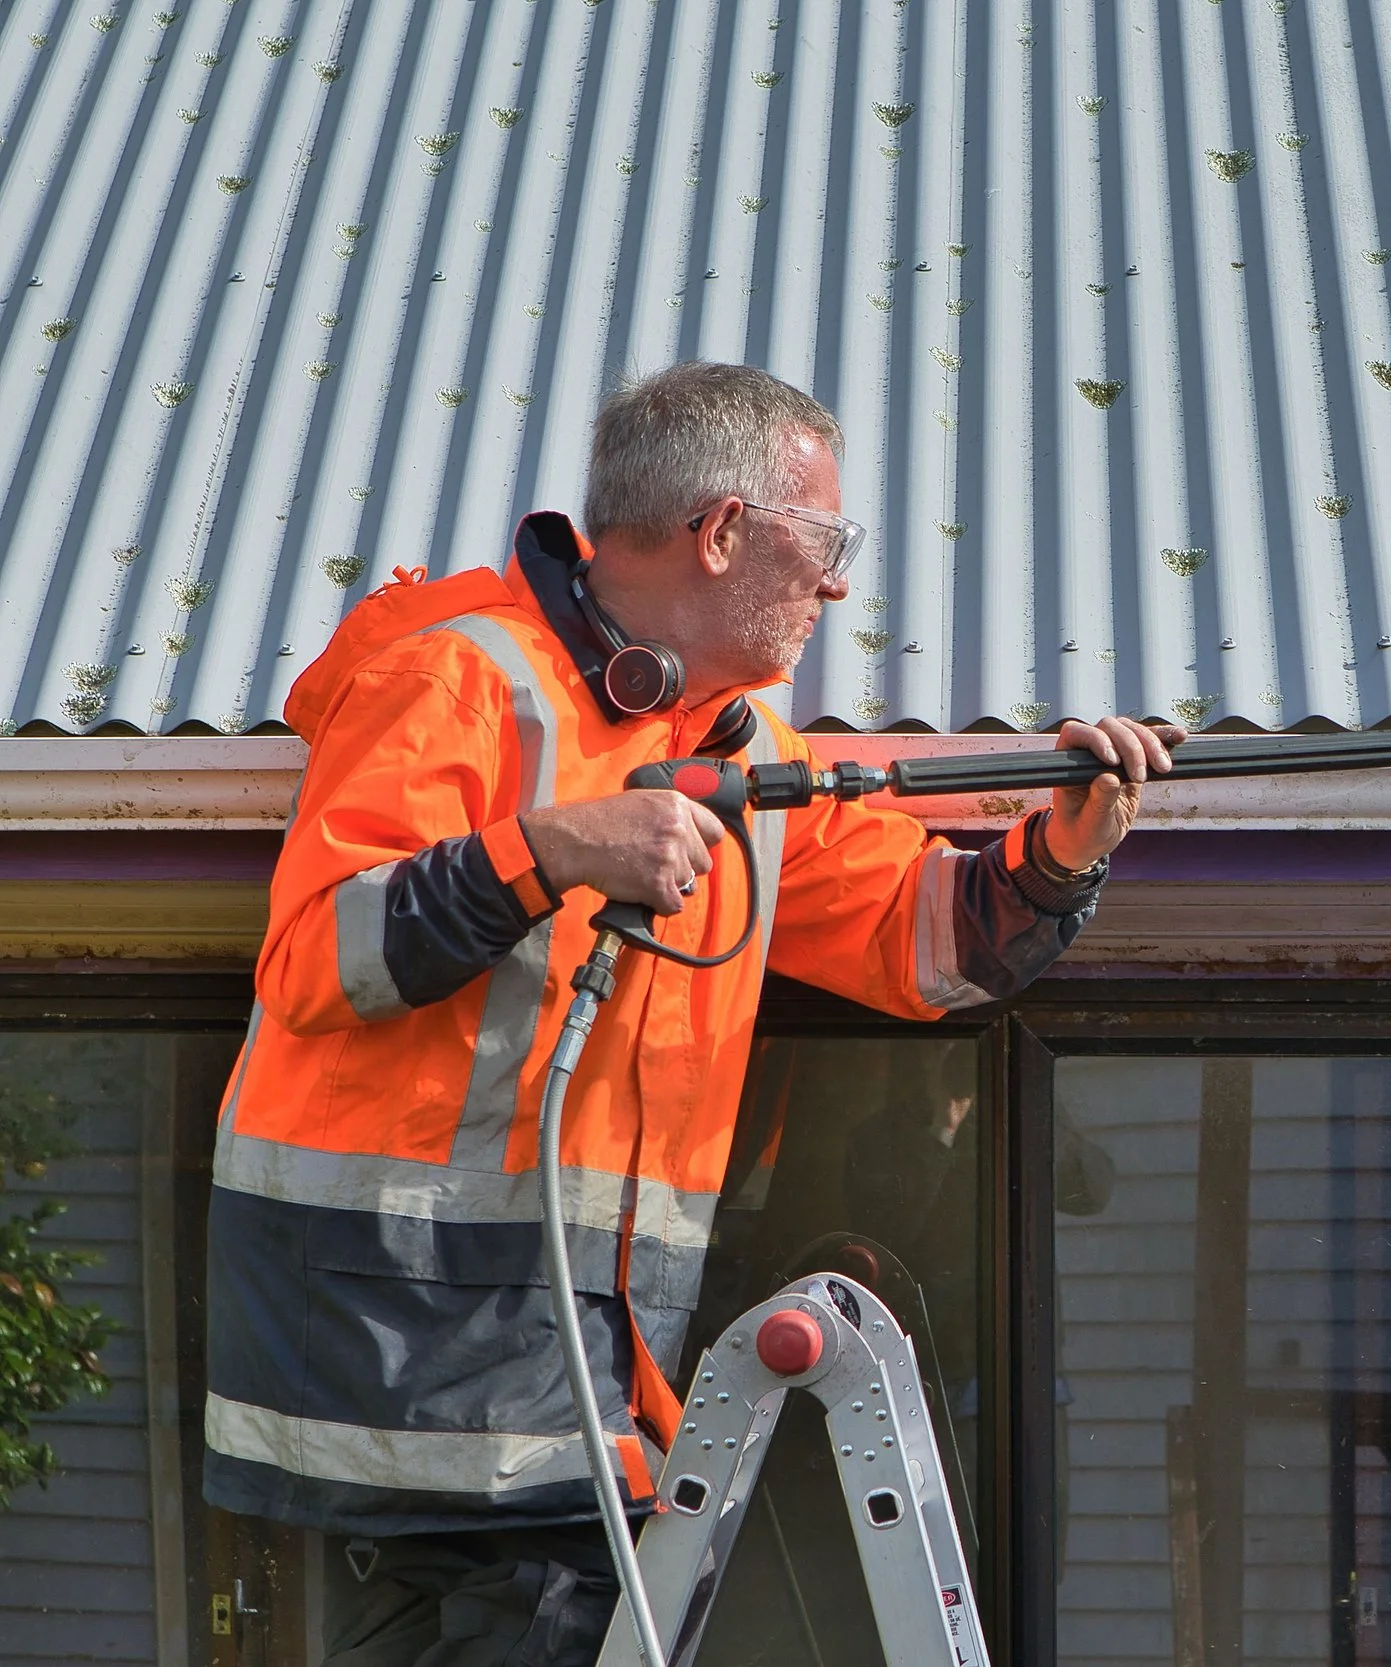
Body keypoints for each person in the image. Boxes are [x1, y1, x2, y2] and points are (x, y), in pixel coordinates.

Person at [201, 361, 1180, 1665]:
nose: (838, 584)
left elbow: (920, 940)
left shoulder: (744, 748)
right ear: (724, 533)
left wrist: (1057, 855)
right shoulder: (457, 679)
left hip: (548, 1384)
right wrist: (547, 850)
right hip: (422, 1363)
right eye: (826, 542)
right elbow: (321, 956)